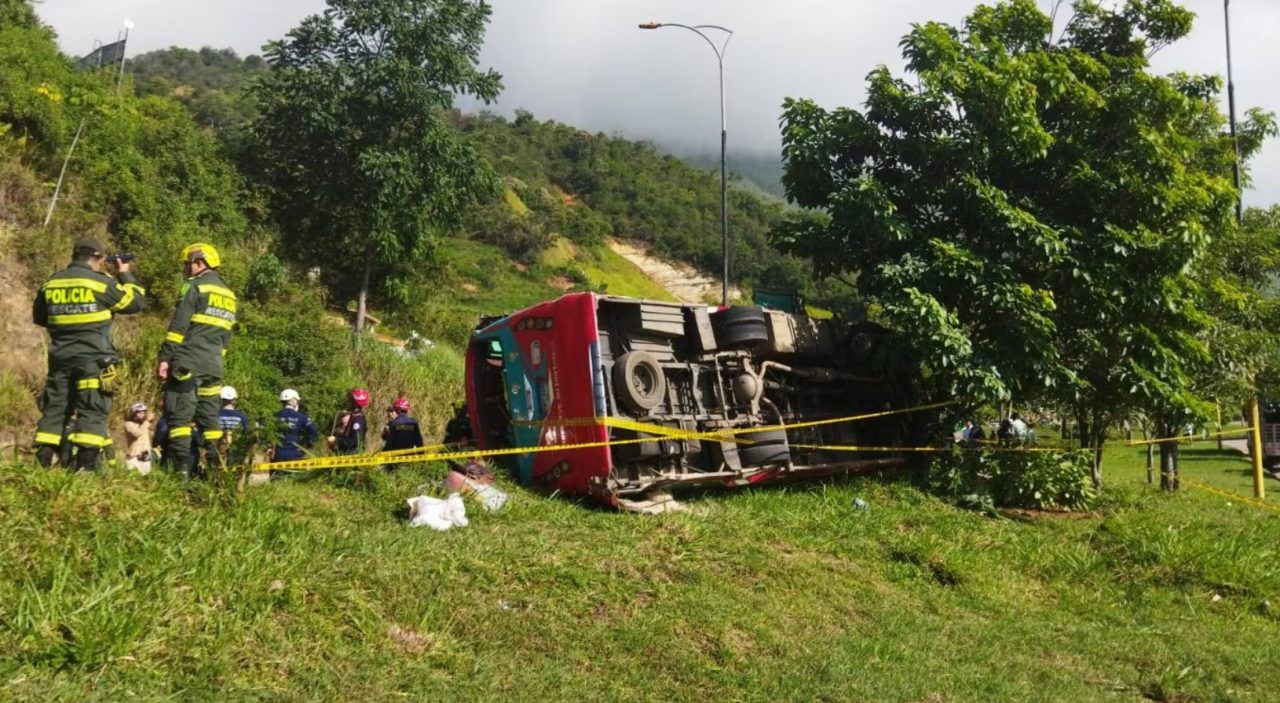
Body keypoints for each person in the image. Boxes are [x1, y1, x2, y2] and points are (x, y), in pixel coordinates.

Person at [31, 237, 145, 470]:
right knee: (92, 409)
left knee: (55, 407)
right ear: (101, 260)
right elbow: (135, 302)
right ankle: (86, 468)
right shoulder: (101, 284)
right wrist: (124, 273)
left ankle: (42, 462)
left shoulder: (51, 283)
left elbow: (40, 318)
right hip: (94, 359)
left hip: (60, 358)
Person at [157, 243, 236, 477]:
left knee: (180, 417)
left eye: (188, 264)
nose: (186, 268)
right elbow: (226, 338)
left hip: (187, 361)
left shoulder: (193, 287)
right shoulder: (229, 295)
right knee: (210, 420)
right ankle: (217, 471)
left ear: (199, 263)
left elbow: (178, 327)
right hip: (214, 366)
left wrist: (165, 357)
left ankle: (180, 472)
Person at [272, 388, 318, 462]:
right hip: (295, 451)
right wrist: (309, 441)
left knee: (278, 473)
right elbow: (313, 429)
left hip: (279, 452)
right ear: (293, 401)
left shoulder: (275, 416)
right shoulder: (301, 416)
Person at [217, 385, 252, 466]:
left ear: (221, 399)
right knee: (235, 467)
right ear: (234, 400)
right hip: (236, 447)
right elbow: (247, 431)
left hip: (219, 446)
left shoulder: (216, 414)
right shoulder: (241, 415)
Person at [330, 387, 370, 455]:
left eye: (350, 400)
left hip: (353, 454)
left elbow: (355, 441)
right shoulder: (353, 416)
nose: (348, 402)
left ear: (354, 403)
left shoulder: (358, 419)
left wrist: (337, 441)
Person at [122, 403, 155, 475]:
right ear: (134, 413)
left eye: (144, 413)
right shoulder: (128, 424)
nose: (142, 415)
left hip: (145, 454)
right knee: (132, 475)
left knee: (146, 475)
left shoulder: (145, 424)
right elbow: (137, 433)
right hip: (134, 455)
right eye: (140, 413)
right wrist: (147, 421)